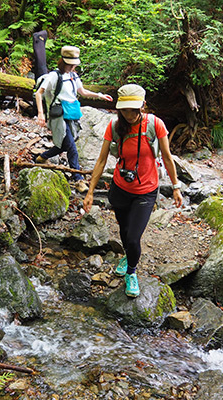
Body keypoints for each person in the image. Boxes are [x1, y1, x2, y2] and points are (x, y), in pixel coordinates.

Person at [83, 84, 183, 297]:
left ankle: (131, 272)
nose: (128, 115)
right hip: (120, 188)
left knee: (133, 238)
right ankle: (128, 256)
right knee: (125, 231)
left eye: (132, 110)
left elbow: (166, 157)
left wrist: (176, 187)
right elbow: (101, 160)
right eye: (124, 110)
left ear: (142, 106)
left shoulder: (155, 124)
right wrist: (90, 191)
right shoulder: (114, 126)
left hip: (146, 191)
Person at [34, 45, 113, 193]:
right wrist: (40, 113)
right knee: (71, 147)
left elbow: (82, 92)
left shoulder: (73, 76)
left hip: (71, 114)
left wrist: (100, 95)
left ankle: (42, 157)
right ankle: (78, 180)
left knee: (65, 145)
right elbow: (39, 93)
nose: (74, 65)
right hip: (58, 115)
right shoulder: (54, 76)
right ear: (64, 61)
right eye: (71, 63)